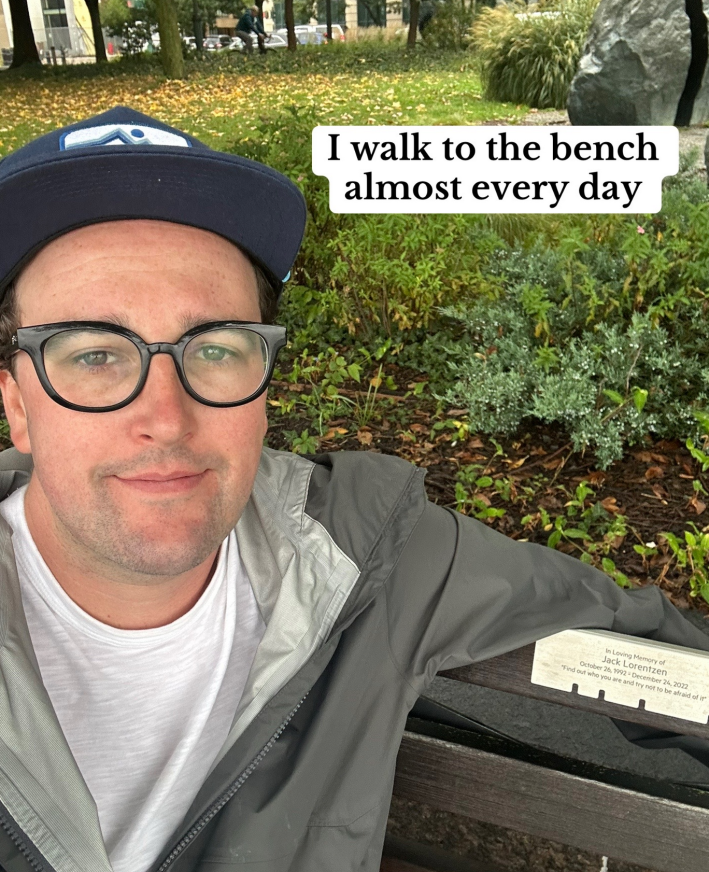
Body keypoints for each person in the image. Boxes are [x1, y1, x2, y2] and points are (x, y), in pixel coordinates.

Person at [0, 105, 706, 872]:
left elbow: (629, 628)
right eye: (95, 355)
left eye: (215, 348)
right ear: (17, 407)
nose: (166, 419)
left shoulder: (371, 557)